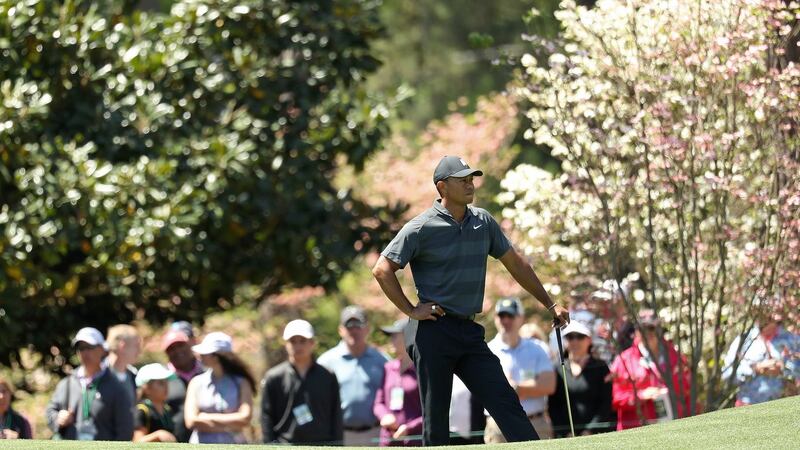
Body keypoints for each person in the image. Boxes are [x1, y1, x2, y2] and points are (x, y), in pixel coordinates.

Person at [372, 155, 570, 445]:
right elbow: (382, 269)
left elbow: (516, 264)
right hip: (434, 331)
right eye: (462, 179)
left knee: (505, 402)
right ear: (442, 187)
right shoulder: (420, 227)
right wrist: (412, 310)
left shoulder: (483, 221)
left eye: (471, 178)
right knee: (436, 420)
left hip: (469, 332)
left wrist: (550, 304)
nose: (470, 184)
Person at [484, 298, 555, 443]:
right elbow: (482, 390)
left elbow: (549, 385)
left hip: (536, 423)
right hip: (498, 427)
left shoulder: (537, 348)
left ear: (521, 318)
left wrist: (516, 388)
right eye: (501, 316)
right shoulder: (486, 351)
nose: (505, 320)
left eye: (510, 315)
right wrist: (529, 386)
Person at [261, 319, 343, 445]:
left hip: (322, 445)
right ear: (285, 344)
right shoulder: (274, 377)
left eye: (302, 341)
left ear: (312, 343)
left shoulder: (327, 376)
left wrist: (338, 445)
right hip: (285, 445)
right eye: (292, 341)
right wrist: (270, 446)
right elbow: (266, 417)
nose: (297, 346)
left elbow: (336, 414)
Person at [45, 327, 134, 441]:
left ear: (102, 349)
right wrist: (58, 418)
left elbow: (125, 431)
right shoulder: (67, 383)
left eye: (90, 347)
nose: (85, 352)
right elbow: (50, 411)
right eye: (81, 348)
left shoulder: (116, 387)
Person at [318, 305, 389, 446]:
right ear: (340, 330)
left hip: (376, 434)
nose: (354, 330)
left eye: (358, 324)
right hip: (340, 436)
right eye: (349, 325)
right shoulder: (325, 362)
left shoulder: (383, 361)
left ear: (368, 329)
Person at [609, 310, 692, 430]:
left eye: (651, 328)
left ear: (659, 330)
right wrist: (641, 395)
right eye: (643, 329)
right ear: (636, 331)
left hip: (674, 427)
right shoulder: (624, 360)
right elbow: (616, 398)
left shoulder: (676, 357)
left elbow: (688, 391)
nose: (647, 333)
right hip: (637, 431)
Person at [184, 332, 256, 444]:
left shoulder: (241, 382)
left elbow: (245, 418)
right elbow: (191, 421)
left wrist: (205, 417)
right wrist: (230, 425)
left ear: (216, 356)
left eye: (205, 353)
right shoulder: (196, 382)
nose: (199, 356)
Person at [548, 321, 613, 437]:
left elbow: (605, 404)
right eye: (570, 337)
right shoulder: (559, 369)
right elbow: (553, 406)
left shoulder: (601, 367)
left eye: (580, 337)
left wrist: (590, 431)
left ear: (589, 340)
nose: (574, 341)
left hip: (597, 436)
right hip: (566, 437)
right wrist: (566, 433)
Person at [723, 315, 800, 406]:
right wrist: (755, 368)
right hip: (748, 407)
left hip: (784, 406)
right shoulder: (743, 341)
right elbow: (727, 375)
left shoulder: (791, 339)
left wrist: (782, 369)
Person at [373, 318, 423, 446]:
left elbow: (432, 411)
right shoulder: (388, 368)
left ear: (408, 337)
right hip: (388, 441)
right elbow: (379, 403)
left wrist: (409, 428)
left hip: (414, 441)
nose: (391, 341)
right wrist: (384, 416)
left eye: (395, 336)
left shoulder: (423, 370)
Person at [162, 328, 204, 442]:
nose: (177, 351)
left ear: (190, 345)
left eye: (181, 345)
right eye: (171, 349)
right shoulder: (162, 379)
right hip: (175, 443)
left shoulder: (207, 373)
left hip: (208, 441)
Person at [133, 363, 178, 443]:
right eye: (160, 383)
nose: (166, 386)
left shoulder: (167, 409)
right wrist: (158, 435)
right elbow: (137, 441)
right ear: (147, 388)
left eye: (166, 382)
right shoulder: (142, 410)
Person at [105, 324, 142, 404]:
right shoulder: (98, 375)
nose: (139, 351)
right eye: (136, 346)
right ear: (122, 346)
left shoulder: (133, 376)